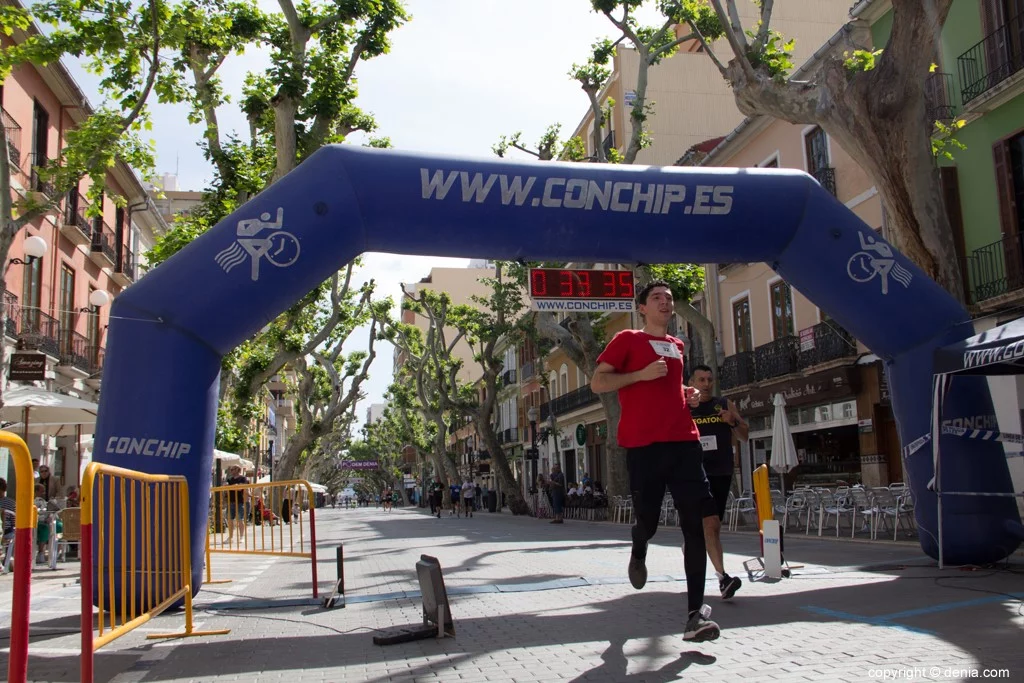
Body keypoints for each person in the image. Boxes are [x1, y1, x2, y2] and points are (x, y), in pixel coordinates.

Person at [590, 279, 721, 643]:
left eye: (669, 298)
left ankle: (694, 616)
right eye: (656, 298)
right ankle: (639, 542)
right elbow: (597, 383)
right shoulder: (628, 340)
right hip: (644, 447)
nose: (665, 302)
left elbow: (667, 388)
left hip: (684, 443)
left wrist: (687, 393)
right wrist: (639, 375)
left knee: (695, 526)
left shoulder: (677, 345)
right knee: (647, 522)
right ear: (642, 308)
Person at [689, 363, 747, 600]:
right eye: (701, 380)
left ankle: (694, 546)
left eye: (709, 380)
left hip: (722, 473)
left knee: (713, 527)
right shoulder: (685, 408)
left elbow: (745, 434)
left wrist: (732, 421)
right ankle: (723, 578)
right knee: (711, 524)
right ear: (691, 383)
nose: (706, 384)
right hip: (694, 475)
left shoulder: (723, 405)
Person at [225, 465, 248, 544]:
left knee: (240, 519)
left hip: (239, 502)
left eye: (232, 469)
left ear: (237, 470)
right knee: (230, 520)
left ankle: (241, 537)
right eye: (230, 470)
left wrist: (231, 487)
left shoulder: (243, 478)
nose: (231, 471)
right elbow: (225, 487)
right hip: (230, 501)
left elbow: (240, 488)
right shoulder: (230, 479)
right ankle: (230, 537)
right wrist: (234, 487)